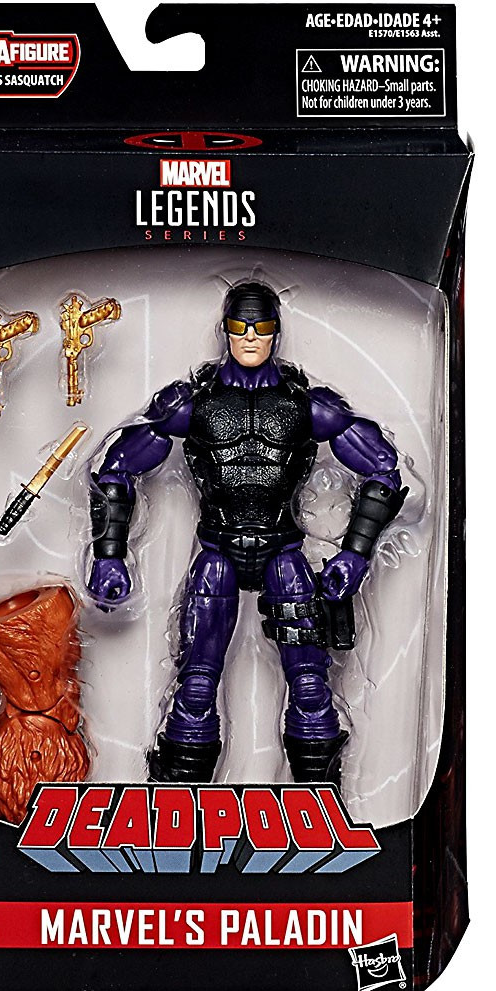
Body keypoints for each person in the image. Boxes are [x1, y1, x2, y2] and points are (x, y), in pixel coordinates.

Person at [87, 281, 406, 783]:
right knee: (196, 687)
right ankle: (179, 804)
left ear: (276, 331)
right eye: (241, 326)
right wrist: (109, 553)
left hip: (283, 553)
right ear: (226, 330)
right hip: (218, 550)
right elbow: (117, 468)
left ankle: (320, 804)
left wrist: (356, 554)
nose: (251, 336)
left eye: (261, 326)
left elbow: (383, 470)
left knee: (310, 688)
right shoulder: (192, 404)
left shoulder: (307, 406)